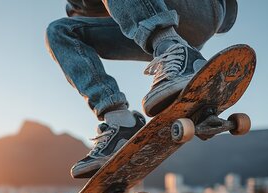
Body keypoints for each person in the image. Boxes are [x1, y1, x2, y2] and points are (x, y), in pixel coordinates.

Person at [45, 0, 238, 179]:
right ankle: (120, 123)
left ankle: (172, 47)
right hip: (150, 20)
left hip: (200, 10)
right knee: (59, 31)